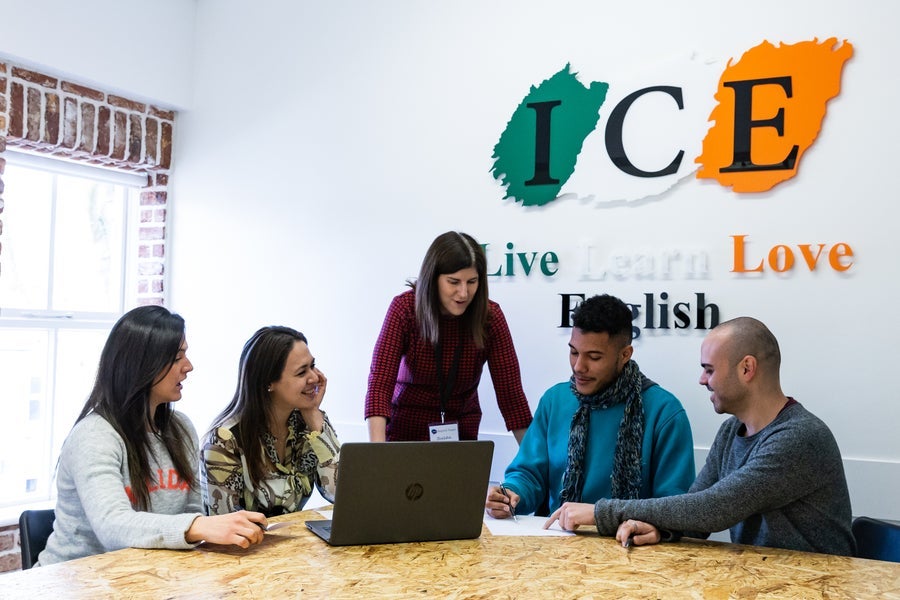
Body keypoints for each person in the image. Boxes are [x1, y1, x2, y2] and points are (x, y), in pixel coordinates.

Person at [545, 317, 856, 557]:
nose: (702, 379)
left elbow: (712, 509)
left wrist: (600, 512)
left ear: (747, 368)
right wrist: (660, 530)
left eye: (709, 369)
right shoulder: (731, 431)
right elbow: (694, 511)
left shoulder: (799, 438)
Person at [37, 306, 267, 566]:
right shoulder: (94, 435)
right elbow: (113, 525)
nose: (188, 367)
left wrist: (201, 528)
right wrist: (199, 526)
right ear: (143, 364)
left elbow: (191, 513)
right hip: (71, 583)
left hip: (142, 577)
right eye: (178, 357)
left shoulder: (181, 428)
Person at [486, 294, 695, 519]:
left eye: (594, 357)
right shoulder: (554, 400)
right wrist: (510, 495)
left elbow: (674, 506)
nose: (578, 366)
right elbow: (529, 474)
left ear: (625, 354)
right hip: (558, 544)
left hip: (631, 548)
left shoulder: (665, 412)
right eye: (574, 352)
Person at [365, 231, 532, 442]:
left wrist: (534, 466)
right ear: (432, 278)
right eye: (454, 282)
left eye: (472, 282)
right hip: (404, 436)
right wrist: (377, 457)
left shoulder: (490, 317)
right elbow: (380, 384)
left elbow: (512, 396)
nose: (463, 293)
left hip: (461, 438)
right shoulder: (405, 309)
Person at [202, 326, 340, 517]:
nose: (315, 377)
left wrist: (314, 416)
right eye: (302, 372)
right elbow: (225, 524)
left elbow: (341, 494)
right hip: (247, 545)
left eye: (312, 366)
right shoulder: (225, 439)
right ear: (268, 382)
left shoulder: (309, 424)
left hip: (292, 542)